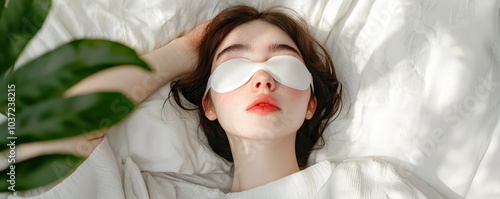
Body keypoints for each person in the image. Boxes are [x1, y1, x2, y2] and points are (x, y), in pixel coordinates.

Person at [8, 5, 443, 199]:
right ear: (209, 103)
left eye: (284, 63)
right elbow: (46, 130)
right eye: (235, 66)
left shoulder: (364, 187)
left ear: (311, 102)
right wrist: (180, 54)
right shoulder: (158, 195)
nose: (262, 78)